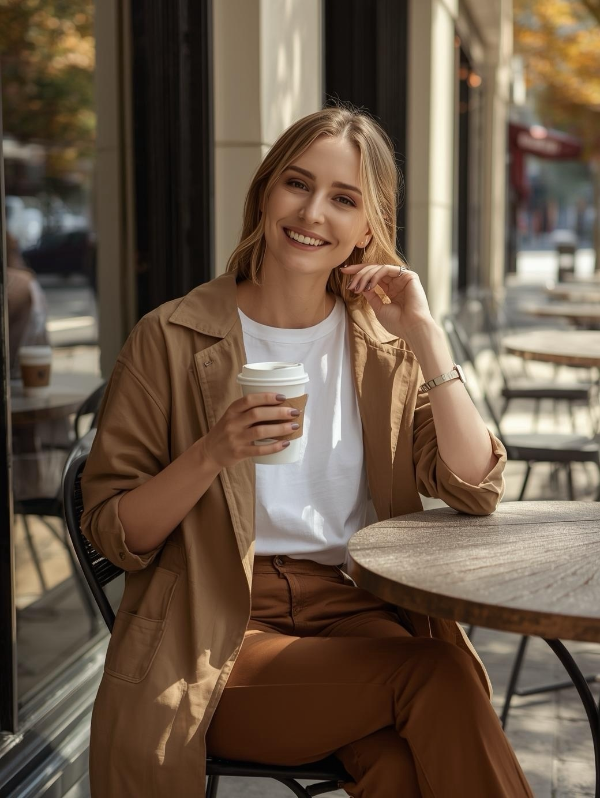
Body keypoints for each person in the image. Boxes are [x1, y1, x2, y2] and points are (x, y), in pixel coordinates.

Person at [81, 104, 533, 798]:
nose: (313, 212)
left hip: (352, 610)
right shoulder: (168, 338)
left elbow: (475, 485)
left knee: (398, 765)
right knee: (434, 673)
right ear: (266, 192)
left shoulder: (381, 348)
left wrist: (426, 336)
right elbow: (115, 535)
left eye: (343, 199)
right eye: (297, 183)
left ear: (366, 230)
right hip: (216, 633)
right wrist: (211, 452)